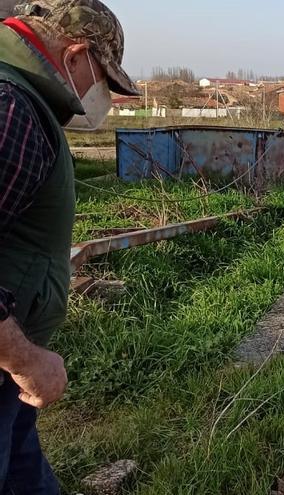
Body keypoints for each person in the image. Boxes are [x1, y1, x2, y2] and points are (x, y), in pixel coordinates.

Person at [0, 0, 139, 491]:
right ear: (76, 56)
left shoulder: (21, 100)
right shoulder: (10, 107)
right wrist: (24, 359)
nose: (102, 97)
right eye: (104, 79)